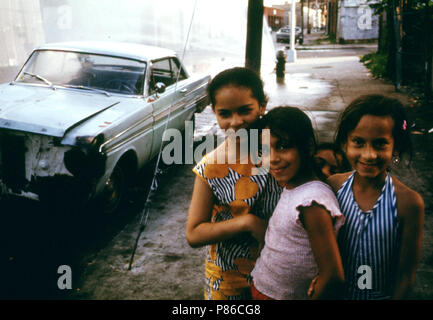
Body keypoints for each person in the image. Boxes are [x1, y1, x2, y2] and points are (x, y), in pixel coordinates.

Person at [186, 67, 282, 300]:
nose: (235, 121)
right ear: (215, 113)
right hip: (228, 280)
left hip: (279, 273)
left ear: (262, 105)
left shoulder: (278, 152)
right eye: (225, 114)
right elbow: (194, 233)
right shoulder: (210, 167)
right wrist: (247, 223)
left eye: (245, 111)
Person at [328, 94, 424, 299]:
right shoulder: (334, 186)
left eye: (380, 144)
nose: (369, 155)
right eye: (358, 142)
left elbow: (405, 276)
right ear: (346, 143)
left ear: (395, 147)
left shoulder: (408, 203)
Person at [250, 106, 345, 300]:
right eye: (265, 149)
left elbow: (332, 275)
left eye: (283, 146)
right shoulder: (293, 186)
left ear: (308, 147)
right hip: (264, 289)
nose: (273, 159)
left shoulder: (312, 202)